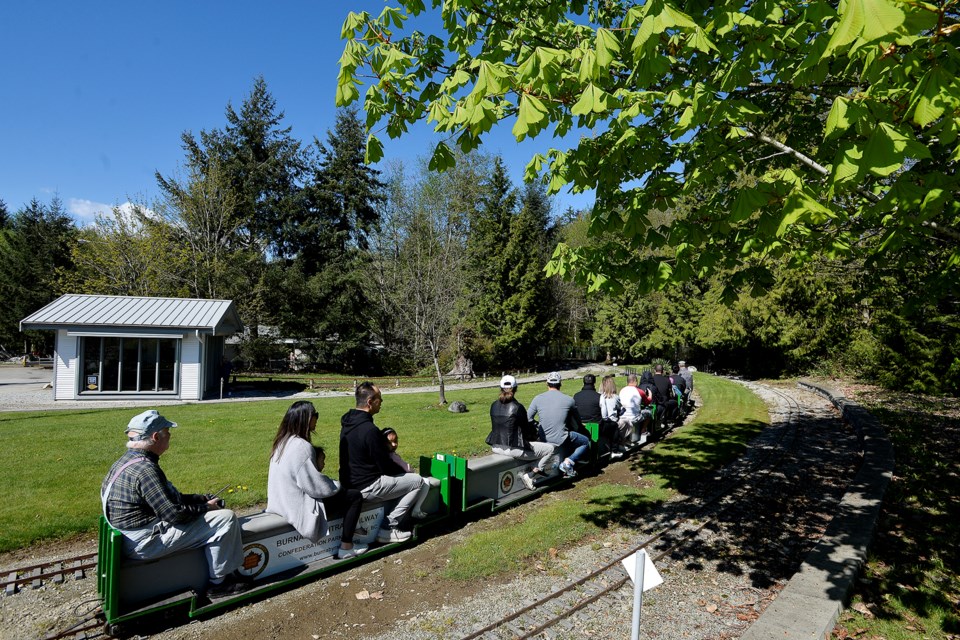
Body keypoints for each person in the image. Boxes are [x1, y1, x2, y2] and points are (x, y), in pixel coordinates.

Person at [101, 410, 247, 598]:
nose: (170, 435)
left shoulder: (126, 462)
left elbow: (162, 499)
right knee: (225, 519)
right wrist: (208, 508)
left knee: (210, 515)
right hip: (144, 543)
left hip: (128, 535)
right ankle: (220, 583)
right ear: (155, 437)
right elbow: (174, 515)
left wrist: (199, 499)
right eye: (167, 431)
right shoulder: (146, 471)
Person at [267, 401, 367, 560]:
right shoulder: (301, 446)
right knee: (354, 496)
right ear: (306, 419)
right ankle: (346, 546)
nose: (317, 419)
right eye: (316, 415)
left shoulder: (282, 442)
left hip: (279, 501)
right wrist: (337, 485)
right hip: (295, 505)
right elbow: (314, 485)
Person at [339, 382, 427, 544]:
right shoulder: (369, 430)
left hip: (349, 482)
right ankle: (388, 528)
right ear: (370, 402)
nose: (382, 402)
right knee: (417, 481)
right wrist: (406, 472)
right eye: (380, 399)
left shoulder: (347, 423)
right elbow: (385, 466)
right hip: (367, 485)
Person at [485, 375, 558, 491]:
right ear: (515, 388)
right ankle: (531, 475)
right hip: (513, 448)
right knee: (550, 449)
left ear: (500, 388)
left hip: (495, 446)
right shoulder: (518, 407)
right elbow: (526, 431)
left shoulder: (493, 405)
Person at [527, 372, 589, 478]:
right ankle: (569, 462)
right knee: (585, 442)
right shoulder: (569, 400)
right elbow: (578, 422)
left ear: (547, 383)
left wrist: (538, 425)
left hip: (543, 436)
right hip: (561, 438)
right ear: (560, 384)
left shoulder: (537, 398)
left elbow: (528, 418)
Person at [381, 427, 431, 518]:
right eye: (390, 442)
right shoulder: (392, 457)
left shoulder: (385, 455)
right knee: (425, 482)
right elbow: (408, 469)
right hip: (393, 482)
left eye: (396, 441)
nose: (394, 444)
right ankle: (416, 509)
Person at [598, 374, 625, 458]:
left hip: (602, 421)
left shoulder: (600, 396)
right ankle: (618, 446)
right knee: (624, 423)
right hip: (612, 420)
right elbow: (620, 408)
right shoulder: (616, 397)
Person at [617, 373, 643, 448]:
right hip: (634, 416)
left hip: (623, 416)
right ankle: (643, 431)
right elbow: (647, 401)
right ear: (635, 381)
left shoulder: (622, 390)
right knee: (647, 413)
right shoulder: (639, 391)